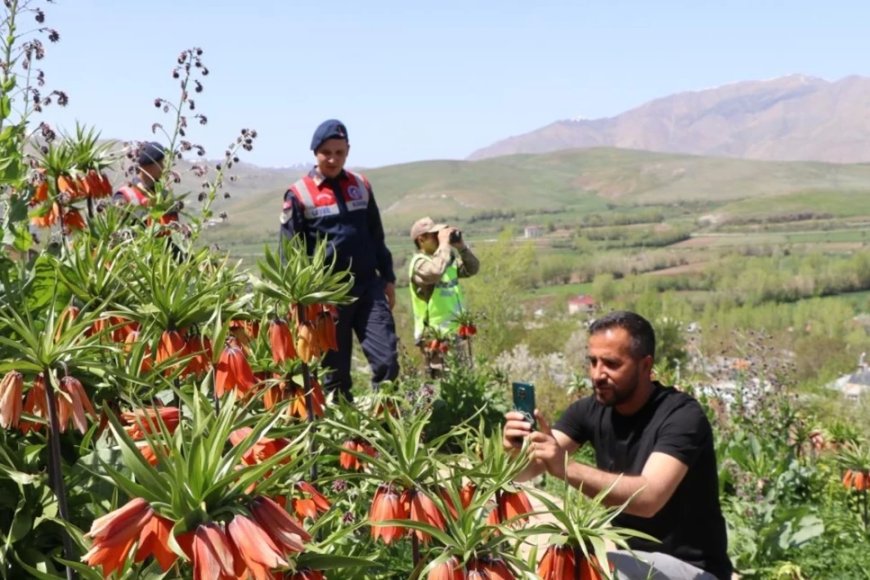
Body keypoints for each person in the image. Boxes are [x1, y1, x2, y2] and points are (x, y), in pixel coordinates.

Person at [503, 311, 732, 580]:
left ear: (645, 366)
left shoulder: (682, 416)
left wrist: (564, 467)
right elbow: (526, 471)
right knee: (559, 564)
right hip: (631, 560)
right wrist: (513, 449)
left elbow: (649, 499)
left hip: (693, 569)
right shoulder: (589, 410)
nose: (598, 374)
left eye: (611, 364)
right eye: (593, 362)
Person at [280, 119, 398, 401]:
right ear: (315, 152)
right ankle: (343, 438)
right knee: (335, 376)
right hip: (327, 297)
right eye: (326, 152)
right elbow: (290, 252)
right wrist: (298, 299)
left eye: (339, 152)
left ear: (348, 151)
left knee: (387, 363)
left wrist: (389, 278)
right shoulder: (299, 193)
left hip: (369, 288)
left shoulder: (361, 185)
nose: (333, 159)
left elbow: (376, 235)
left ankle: (383, 428)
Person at [408, 217, 479, 344]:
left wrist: (461, 247)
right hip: (434, 336)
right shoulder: (419, 263)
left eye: (439, 235)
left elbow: (473, 268)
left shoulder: (446, 260)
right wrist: (444, 244)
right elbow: (435, 272)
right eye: (434, 235)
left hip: (457, 331)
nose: (438, 238)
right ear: (421, 240)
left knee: (462, 364)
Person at [114, 141, 180, 226]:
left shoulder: (166, 197)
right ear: (147, 165)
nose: (163, 167)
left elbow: (174, 229)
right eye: (160, 163)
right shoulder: (124, 196)